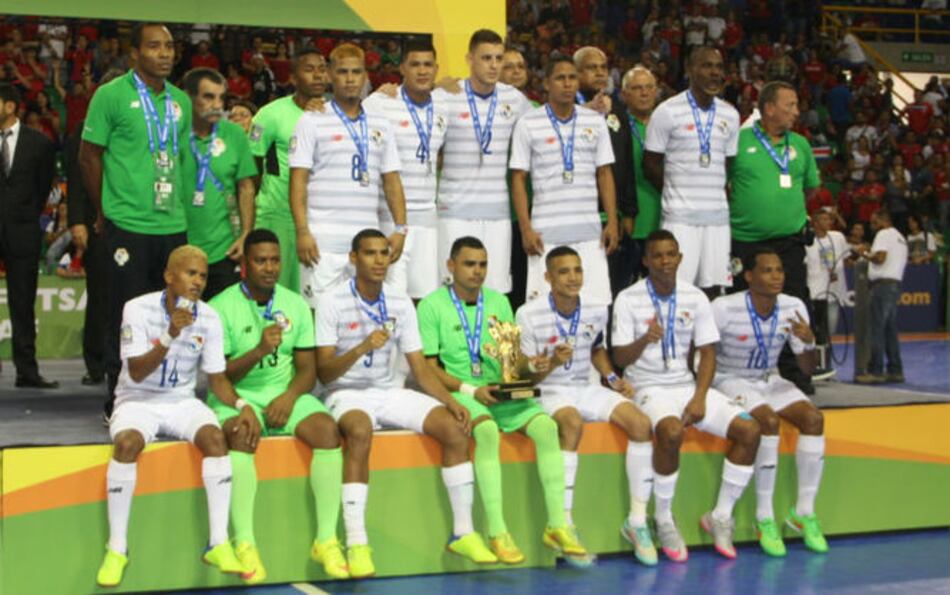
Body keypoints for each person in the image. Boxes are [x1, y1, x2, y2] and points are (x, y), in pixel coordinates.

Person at [316, 229, 497, 577]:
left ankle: (463, 531)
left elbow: (420, 368)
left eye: (384, 253)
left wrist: (450, 401)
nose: (379, 260)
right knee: (358, 430)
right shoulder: (331, 301)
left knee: (455, 429)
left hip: (390, 391)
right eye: (370, 253)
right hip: (345, 392)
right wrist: (362, 347)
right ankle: (356, 541)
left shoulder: (399, 302)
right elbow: (324, 373)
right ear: (354, 258)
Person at [418, 236, 588, 565]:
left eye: (482, 264)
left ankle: (557, 525)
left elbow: (511, 363)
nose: (477, 271)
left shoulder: (498, 302)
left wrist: (538, 364)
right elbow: (427, 368)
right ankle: (497, 530)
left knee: (546, 428)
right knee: (486, 433)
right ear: (451, 266)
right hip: (461, 392)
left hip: (499, 390)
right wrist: (470, 390)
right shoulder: (431, 305)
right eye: (469, 264)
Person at [96, 246, 250, 587]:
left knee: (215, 439)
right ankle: (117, 548)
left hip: (180, 401)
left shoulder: (209, 318)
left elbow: (218, 379)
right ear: (169, 276)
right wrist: (170, 333)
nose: (197, 281)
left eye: (203, 276)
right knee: (126, 444)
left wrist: (242, 406)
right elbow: (136, 372)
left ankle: (218, 542)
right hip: (137, 400)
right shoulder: (136, 309)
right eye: (190, 273)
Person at [612, 230, 761, 561]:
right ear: (646, 260)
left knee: (750, 430)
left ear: (680, 258)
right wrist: (644, 340)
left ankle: (721, 515)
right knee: (671, 432)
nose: (665, 261)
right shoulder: (628, 298)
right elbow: (619, 360)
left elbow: (708, 353)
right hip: (647, 388)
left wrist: (700, 397)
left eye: (671, 254)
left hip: (687, 387)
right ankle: (663, 518)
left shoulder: (695, 297)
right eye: (658, 255)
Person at [206, 229, 346, 582]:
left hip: (284, 393)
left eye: (274, 260)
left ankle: (326, 540)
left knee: (328, 432)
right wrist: (257, 352)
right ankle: (245, 543)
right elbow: (218, 377)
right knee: (240, 436)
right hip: (234, 396)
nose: (269, 268)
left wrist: (289, 396)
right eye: (260, 260)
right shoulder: (220, 308)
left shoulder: (295, 303)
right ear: (244, 265)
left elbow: (307, 370)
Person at [516, 246, 657, 566]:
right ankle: (563, 525)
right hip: (549, 390)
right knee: (571, 423)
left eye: (577, 270)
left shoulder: (596, 309)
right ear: (548, 277)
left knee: (641, 424)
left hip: (586, 387)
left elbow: (596, 349)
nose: (573, 277)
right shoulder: (527, 313)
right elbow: (523, 378)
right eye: (564, 272)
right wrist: (550, 363)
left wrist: (610, 377)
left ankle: (636, 522)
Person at [81, 23, 192, 416]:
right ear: (135, 54)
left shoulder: (181, 102)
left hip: (172, 225)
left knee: (175, 313)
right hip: (126, 223)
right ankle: (119, 397)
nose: (164, 53)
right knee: (125, 314)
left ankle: (171, 393)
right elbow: (89, 155)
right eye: (154, 46)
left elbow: (177, 161)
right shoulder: (110, 96)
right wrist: (102, 210)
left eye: (169, 46)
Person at [712, 248, 828, 557]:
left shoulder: (793, 306)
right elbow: (704, 355)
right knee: (769, 422)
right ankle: (765, 517)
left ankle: (803, 512)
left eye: (779, 270)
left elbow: (805, 368)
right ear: (749, 276)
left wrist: (808, 341)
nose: (776, 276)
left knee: (814, 420)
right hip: (729, 378)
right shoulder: (723, 307)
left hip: (769, 378)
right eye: (767, 270)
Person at [289, 43, 407, 310]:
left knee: (363, 317)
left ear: (365, 76)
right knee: (318, 316)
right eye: (343, 72)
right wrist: (302, 231)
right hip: (322, 243)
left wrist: (401, 228)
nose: (350, 79)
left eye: (356, 72)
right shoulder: (311, 119)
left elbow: (392, 182)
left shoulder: (381, 124)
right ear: (330, 75)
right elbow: (298, 181)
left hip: (366, 242)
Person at [728, 81, 820, 395]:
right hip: (745, 242)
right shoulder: (738, 141)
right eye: (790, 105)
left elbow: (810, 188)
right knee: (743, 307)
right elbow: (724, 185)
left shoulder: (801, 145)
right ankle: (740, 375)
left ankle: (796, 377)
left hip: (789, 243)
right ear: (769, 108)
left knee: (794, 305)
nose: (797, 112)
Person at [510, 56, 618, 306]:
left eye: (572, 78)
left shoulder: (595, 121)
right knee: (542, 308)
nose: (567, 84)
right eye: (560, 78)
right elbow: (518, 178)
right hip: (544, 234)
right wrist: (526, 228)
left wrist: (612, 221)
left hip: (590, 232)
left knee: (595, 306)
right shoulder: (528, 123)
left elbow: (605, 173)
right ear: (546, 83)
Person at [434, 29, 530, 294]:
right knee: (450, 288)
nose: (494, 65)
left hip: (497, 213)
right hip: (454, 210)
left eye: (499, 58)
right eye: (486, 58)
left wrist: (588, 110)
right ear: (469, 59)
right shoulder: (446, 96)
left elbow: (544, 123)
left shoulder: (514, 98)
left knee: (496, 290)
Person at [643, 47, 740, 293]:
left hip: (717, 219)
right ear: (690, 70)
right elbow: (650, 163)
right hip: (680, 218)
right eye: (707, 66)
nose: (715, 73)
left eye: (719, 67)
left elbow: (726, 163)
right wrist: (676, 192)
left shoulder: (731, 114)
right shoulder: (666, 111)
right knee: (676, 287)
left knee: (714, 289)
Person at [362, 40, 448, 301]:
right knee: (392, 295)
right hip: (391, 216)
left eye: (428, 65)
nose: (422, 71)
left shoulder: (444, 105)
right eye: (415, 65)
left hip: (429, 216)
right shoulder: (379, 102)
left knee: (425, 296)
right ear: (402, 68)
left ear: (436, 68)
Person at [248, 47, 328, 293]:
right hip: (277, 215)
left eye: (322, 69)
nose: (317, 75)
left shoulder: (334, 114)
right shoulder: (269, 115)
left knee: (311, 292)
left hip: (316, 216)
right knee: (276, 289)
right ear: (293, 78)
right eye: (309, 69)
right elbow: (253, 169)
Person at [0, 82, 58, 388]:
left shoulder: (39, 143)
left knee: (23, 302)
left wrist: (25, 215)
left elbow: (43, 187)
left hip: (23, 231)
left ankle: (27, 370)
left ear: (10, 106)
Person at [181, 68, 257, 300]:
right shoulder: (172, 132)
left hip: (225, 248)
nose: (217, 104)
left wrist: (245, 234)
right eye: (208, 97)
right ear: (189, 98)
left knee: (222, 324)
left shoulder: (234, 134)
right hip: (178, 245)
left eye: (221, 98)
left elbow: (246, 187)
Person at [573, 46, 637, 295]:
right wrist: (585, 110)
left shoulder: (618, 110)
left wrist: (628, 211)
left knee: (610, 285)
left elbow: (626, 162)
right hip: (581, 210)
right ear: (577, 73)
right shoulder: (566, 111)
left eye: (603, 67)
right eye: (591, 68)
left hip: (612, 213)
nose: (599, 73)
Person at [855, 210, 908, 384]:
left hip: (882, 286)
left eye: (873, 222)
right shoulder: (900, 237)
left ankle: (875, 371)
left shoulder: (884, 234)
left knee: (876, 329)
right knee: (890, 330)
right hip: (894, 285)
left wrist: (864, 253)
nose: (872, 226)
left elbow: (879, 258)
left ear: (882, 220)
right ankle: (895, 370)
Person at [620, 66, 661, 280]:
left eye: (648, 87)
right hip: (630, 221)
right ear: (624, 94)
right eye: (637, 88)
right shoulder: (615, 126)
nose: (644, 93)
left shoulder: (666, 123)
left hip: (663, 218)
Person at [805, 208, 849, 373]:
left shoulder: (837, 237)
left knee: (829, 333)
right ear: (815, 223)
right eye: (823, 219)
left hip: (834, 293)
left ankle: (826, 365)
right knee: (817, 332)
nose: (828, 222)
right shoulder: (809, 242)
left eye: (829, 219)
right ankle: (816, 366)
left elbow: (845, 257)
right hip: (816, 292)